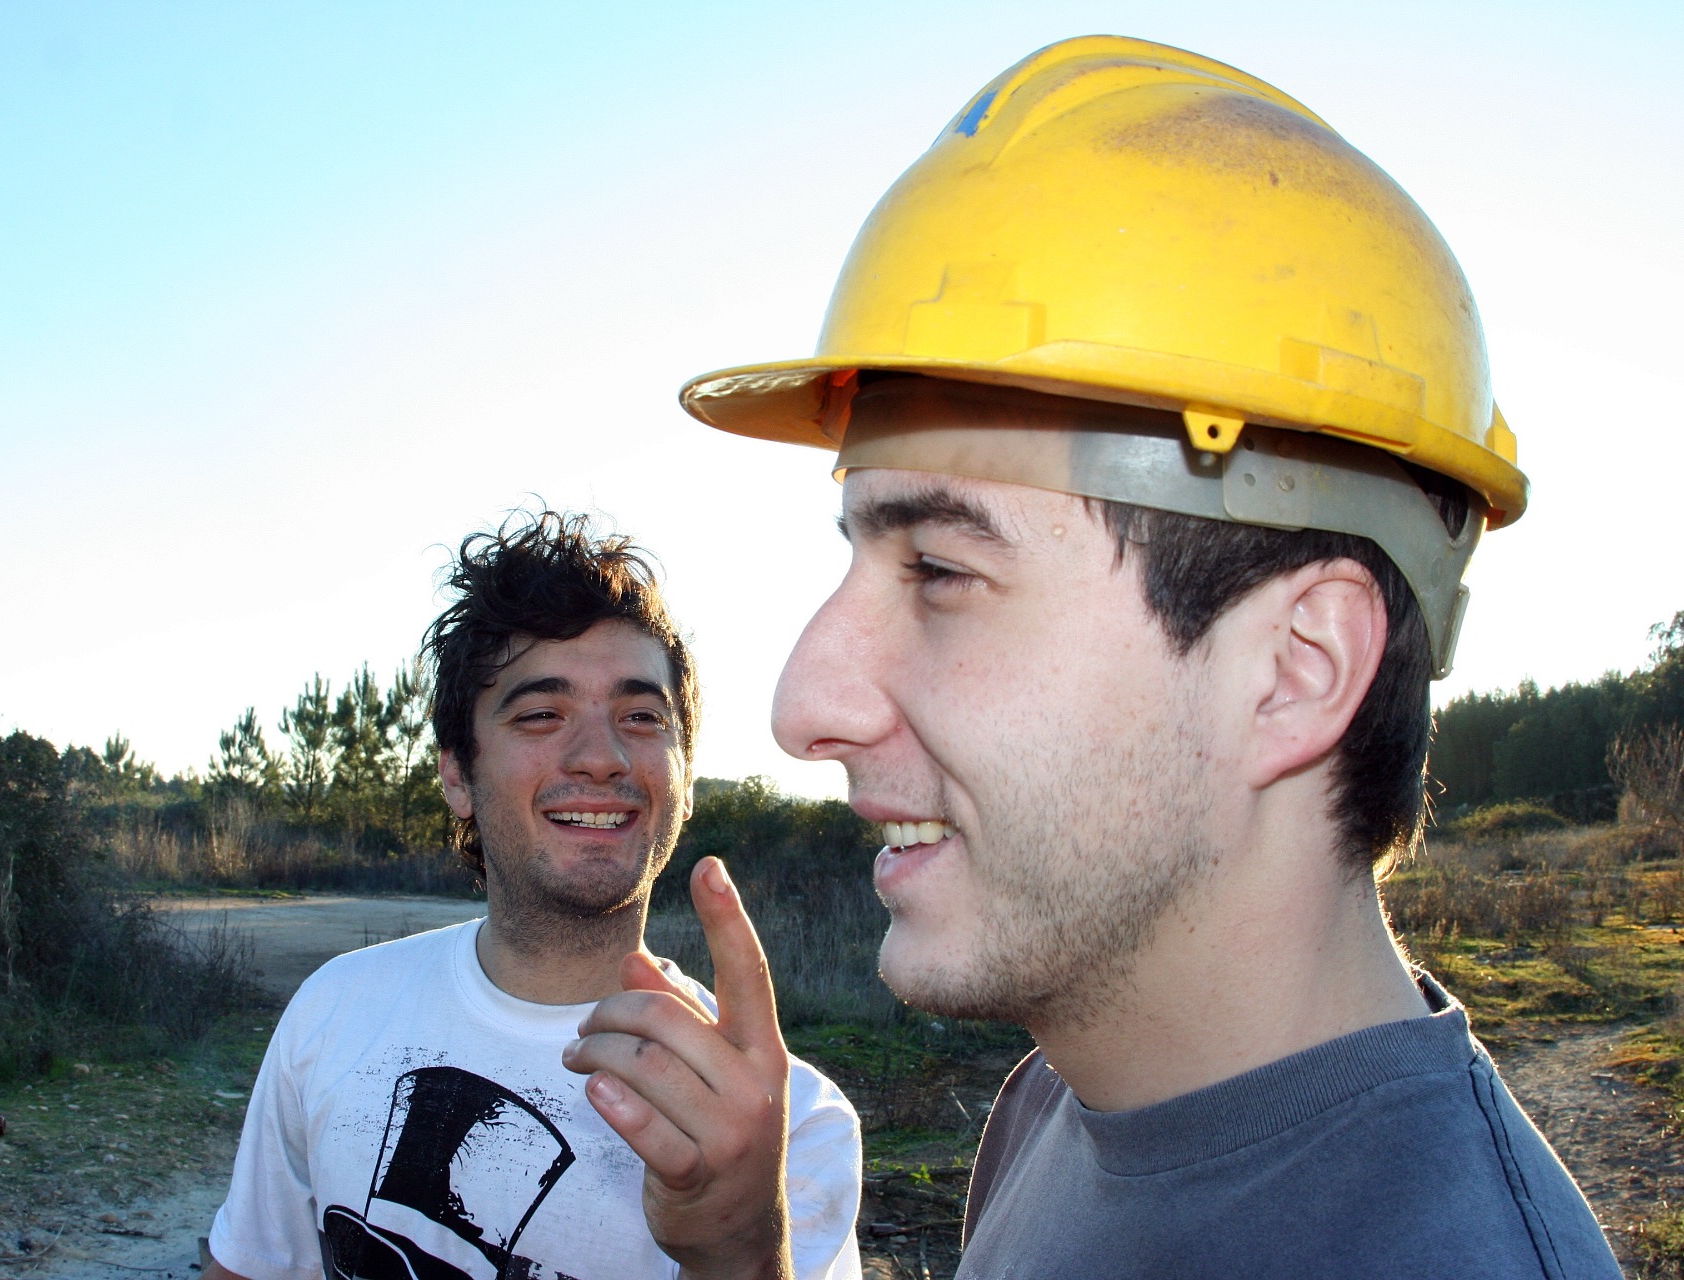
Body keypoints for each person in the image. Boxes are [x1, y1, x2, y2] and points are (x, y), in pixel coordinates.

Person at [588, 34, 1621, 1280]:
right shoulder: (1058, 1102)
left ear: (1295, 665)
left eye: (941, 571)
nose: (804, 705)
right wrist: (741, 1254)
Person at [203, 510, 862, 1280]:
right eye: (542, 714)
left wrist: (741, 1249)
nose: (602, 757)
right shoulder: (335, 1008)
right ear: (457, 775)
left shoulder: (789, 1124)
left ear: (685, 780)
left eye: (641, 716)